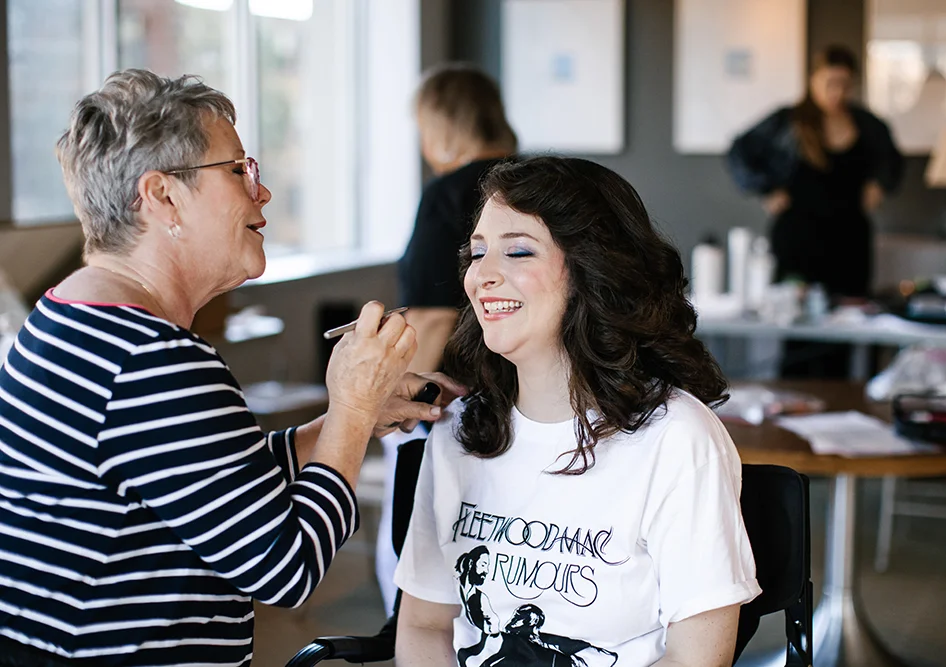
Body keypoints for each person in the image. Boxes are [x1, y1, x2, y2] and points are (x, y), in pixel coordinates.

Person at [0, 69, 461, 667]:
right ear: (163, 195)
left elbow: (200, 481)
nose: (261, 192)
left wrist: (348, 419)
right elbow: (286, 567)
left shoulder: (65, 315)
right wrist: (348, 410)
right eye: (239, 170)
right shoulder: (154, 359)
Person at [394, 157, 761, 667]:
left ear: (593, 269)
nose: (483, 276)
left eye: (518, 251)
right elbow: (424, 624)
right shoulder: (461, 431)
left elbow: (696, 660)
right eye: (477, 253)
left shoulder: (678, 439)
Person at [377, 63, 517, 614]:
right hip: (529, 395)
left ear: (439, 127)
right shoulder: (533, 184)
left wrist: (405, 403)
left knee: (419, 555)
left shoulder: (448, 195)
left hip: (452, 398)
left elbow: (435, 317)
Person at [728, 45, 904, 377]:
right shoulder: (787, 121)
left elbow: (892, 163)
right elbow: (739, 151)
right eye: (829, 82)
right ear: (813, 79)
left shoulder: (867, 125)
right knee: (799, 334)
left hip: (849, 242)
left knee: (845, 333)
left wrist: (879, 184)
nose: (836, 92)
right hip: (799, 241)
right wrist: (766, 188)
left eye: (844, 84)